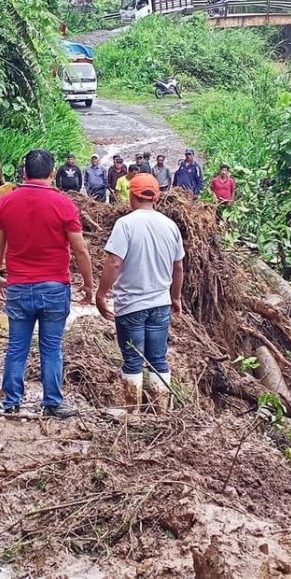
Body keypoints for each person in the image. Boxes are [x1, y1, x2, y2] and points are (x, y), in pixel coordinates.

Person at [0, 149, 94, 418]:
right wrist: (88, 284)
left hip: (18, 287)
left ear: (24, 172)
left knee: (16, 347)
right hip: (55, 288)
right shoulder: (63, 204)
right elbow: (80, 249)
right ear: (51, 173)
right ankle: (52, 403)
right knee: (51, 347)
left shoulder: (6, 202)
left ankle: (11, 402)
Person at [95, 173, 185, 411]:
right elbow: (178, 268)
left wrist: (101, 294)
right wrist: (175, 297)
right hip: (160, 305)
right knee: (158, 359)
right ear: (156, 197)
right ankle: (160, 411)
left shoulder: (125, 224)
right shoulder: (170, 226)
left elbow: (114, 263)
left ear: (131, 196)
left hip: (131, 306)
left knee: (133, 359)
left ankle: (133, 413)